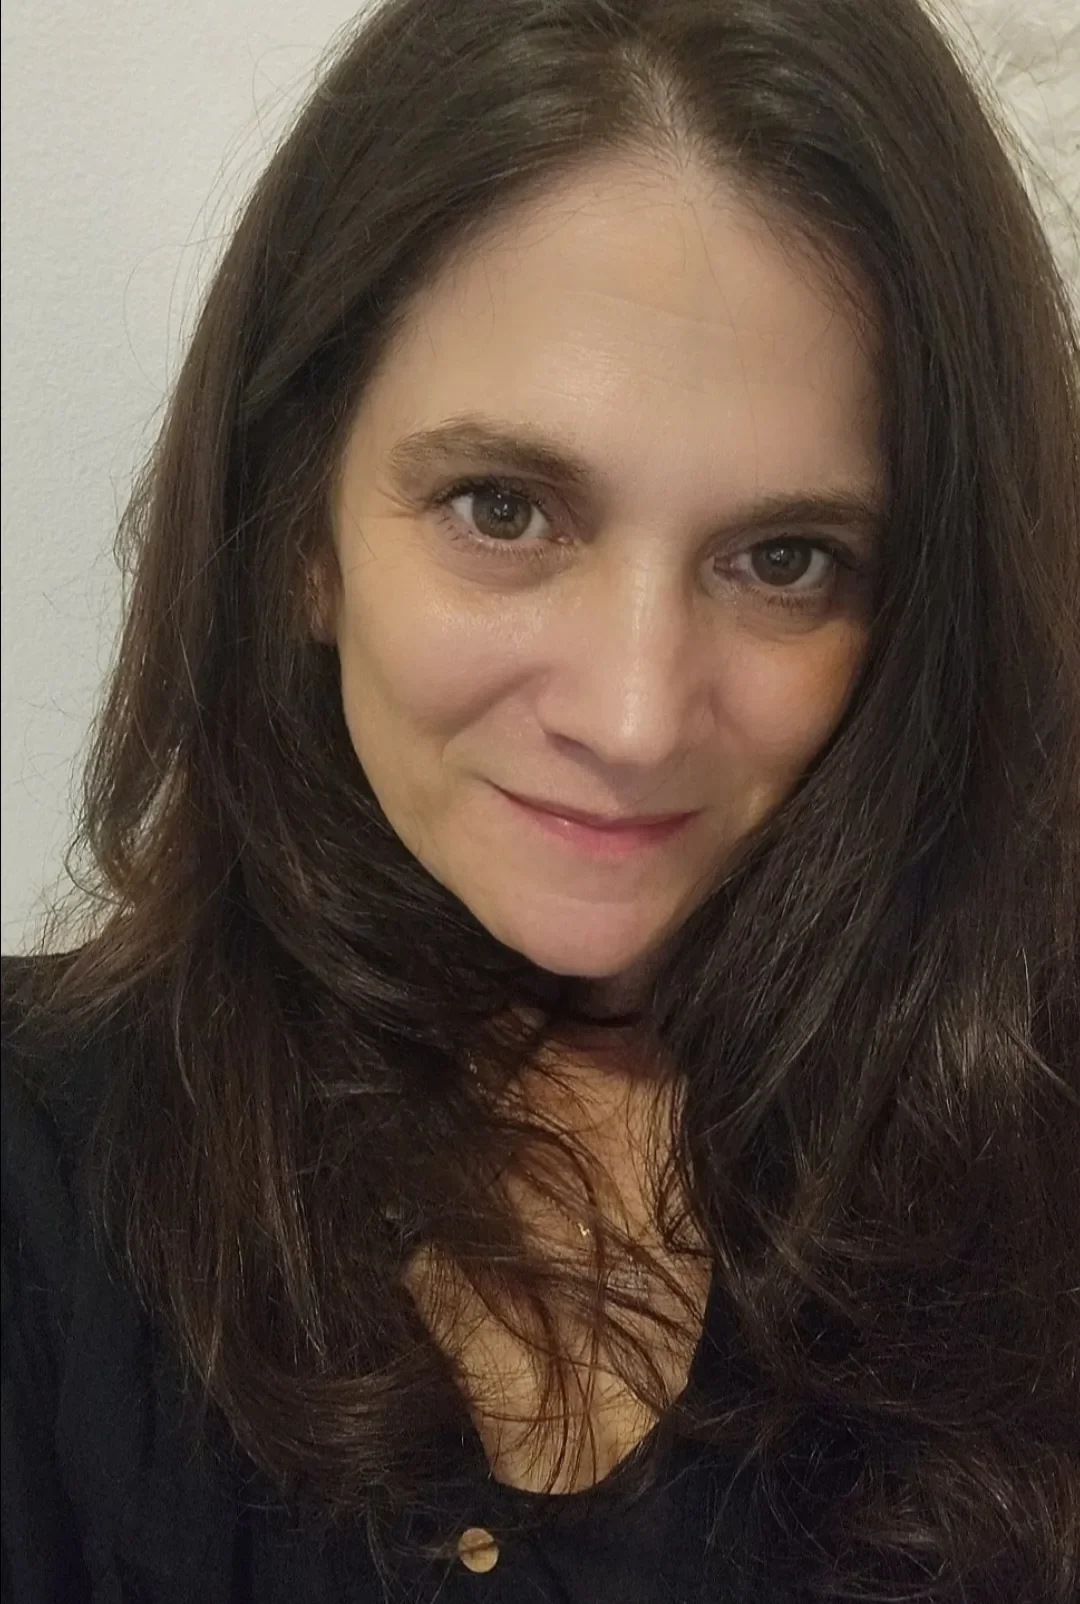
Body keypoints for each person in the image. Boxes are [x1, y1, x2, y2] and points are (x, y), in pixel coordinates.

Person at [3, 0, 1078, 1599]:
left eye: (785, 559)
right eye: (504, 509)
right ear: (302, 526)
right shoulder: (42, 1169)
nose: (637, 717)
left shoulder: (1027, 1155)